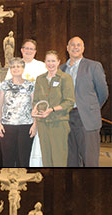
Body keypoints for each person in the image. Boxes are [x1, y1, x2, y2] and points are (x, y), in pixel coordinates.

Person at [60, 36, 109, 167]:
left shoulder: (93, 66)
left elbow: (103, 92)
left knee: (90, 160)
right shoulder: (61, 69)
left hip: (86, 119)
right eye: (72, 45)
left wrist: (91, 108)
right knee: (70, 160)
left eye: (78, 45)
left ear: (83, 48)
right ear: (67, 48)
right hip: (66, 119)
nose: (75, 47)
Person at [5, 39, 47, 167]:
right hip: (17, 116)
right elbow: (7, 89)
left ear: (35, 51)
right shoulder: (15, 66)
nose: (28, 51)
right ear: (22, 50)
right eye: (26, 48)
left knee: (36, 147)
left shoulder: (41, 66)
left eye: (31, 49)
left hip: (36, 111)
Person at [32, 50, 75, 166]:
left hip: (59, 123)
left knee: (58, 159)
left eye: (53, 61)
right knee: (46, 159)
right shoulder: (40, 79)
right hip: (43, 123)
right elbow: (36, 100)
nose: (50, 64)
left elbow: (69, 101)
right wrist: (35, 110)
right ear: (44, 62)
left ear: (58, 62)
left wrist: (52, 109)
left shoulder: (65, 78)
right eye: (48, 61)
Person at [0, 57, 36, 167]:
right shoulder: (4, 85)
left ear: (23, 68)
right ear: (10, 69)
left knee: (23, 159)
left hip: (26, 126)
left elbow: (34, 105)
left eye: (18, 66)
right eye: (13, 66)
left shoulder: (31, 85)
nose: (16, 69)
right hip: (7, 126)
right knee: (7, 160)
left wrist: (35, 124)